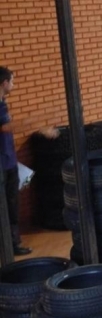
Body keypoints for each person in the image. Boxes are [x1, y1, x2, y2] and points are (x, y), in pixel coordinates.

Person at [0, 67, 31, 256]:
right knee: (8, 207)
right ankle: (9, 245)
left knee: (13, 206)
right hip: (2, 166)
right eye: (11, 81)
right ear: (4, 83)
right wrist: (34, 124)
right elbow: (6, 127)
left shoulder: (3, 104)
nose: (13, 85)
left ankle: (13, 243)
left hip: (9, 162)